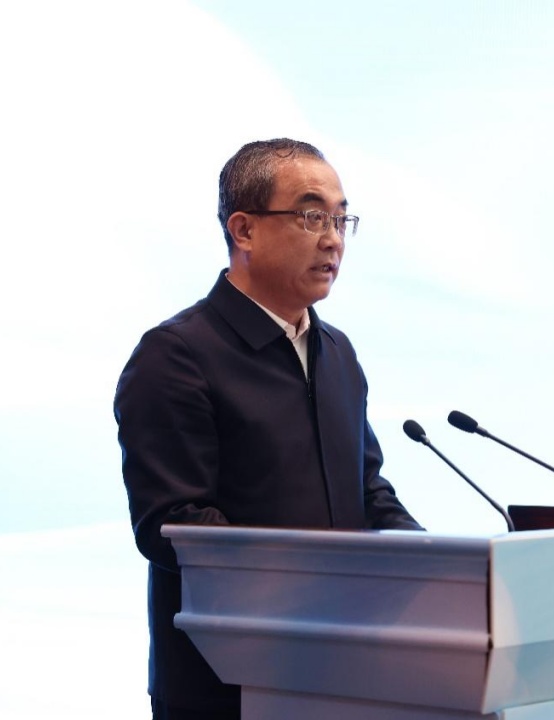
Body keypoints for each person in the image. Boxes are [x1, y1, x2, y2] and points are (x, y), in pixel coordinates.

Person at [114, 138, 423, 719]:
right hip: (226, 687)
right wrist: (312, 584)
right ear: (244, 230)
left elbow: (366, 491)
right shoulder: (176, 355)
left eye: (341, 219)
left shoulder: (337, 352)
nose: (333, 239)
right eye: (311, 216)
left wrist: (434, 566)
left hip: (343, 673)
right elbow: (172, 523)